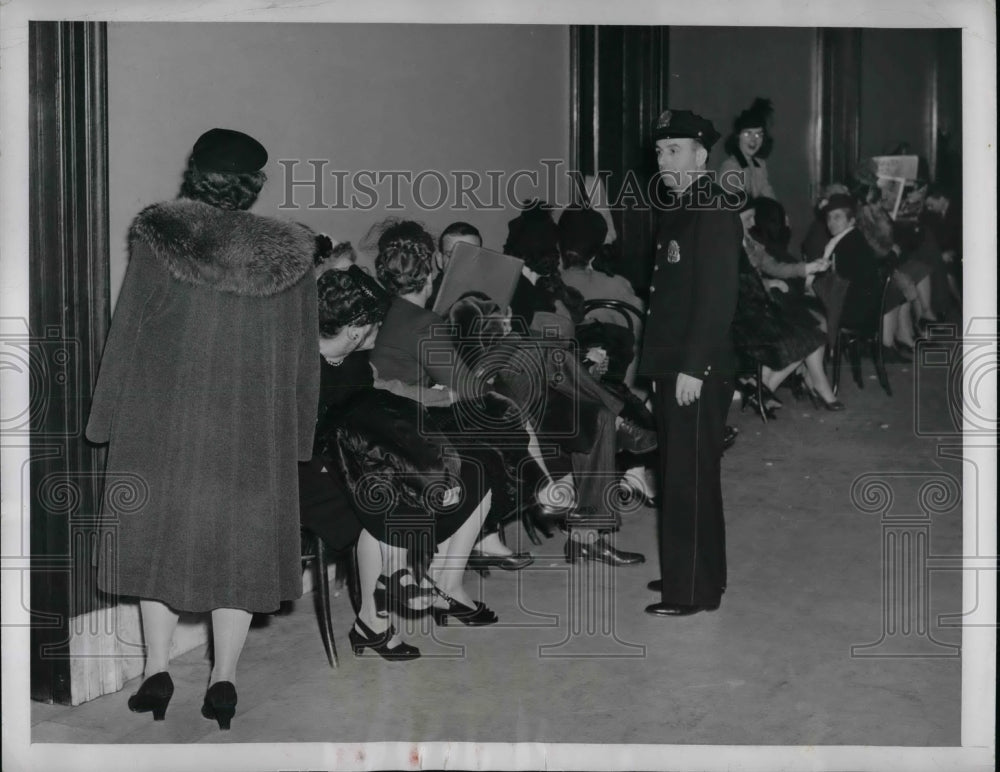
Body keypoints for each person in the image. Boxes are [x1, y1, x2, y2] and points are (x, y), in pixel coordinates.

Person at [86, 128, 318, 728]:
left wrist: (104, 421)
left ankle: (156, 673)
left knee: (158, 547)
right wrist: (297, 440)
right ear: (255, 184)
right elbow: (302, 359)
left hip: (161, 425)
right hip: (252, 436)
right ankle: (223, 683)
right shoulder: (292, 253)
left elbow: (128, 332)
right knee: (238, 558)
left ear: (196, 174)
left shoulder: (162, 235)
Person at [639, 109, 741, 617]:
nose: (663, 159)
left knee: (687, 476)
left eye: (674, 149)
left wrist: (693, 368)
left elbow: (717, 299)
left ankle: (693, 590)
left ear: (701, 156)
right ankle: (696, 574)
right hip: (674, 361)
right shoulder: (684, 206)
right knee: (684, 471)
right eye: (660, 150)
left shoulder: (712, 208)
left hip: (693, 367)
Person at [719, 97, 777, 200]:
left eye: (758, 135)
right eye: (747, 133)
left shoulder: (759, 164)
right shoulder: (730, 167)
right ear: (738, 136)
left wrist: (780, 214)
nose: (753, 140)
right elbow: (727, 208)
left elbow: (768, 196)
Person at [429, 221, 483, 306]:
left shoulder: (492, 300)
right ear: (439, 260)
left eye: (470, 255)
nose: (462, 263)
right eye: (452, 255)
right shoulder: (425, 301)